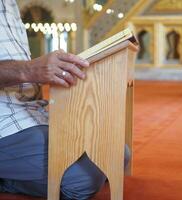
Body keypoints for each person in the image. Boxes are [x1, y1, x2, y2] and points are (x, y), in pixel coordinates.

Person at [0, 0, 130, 199]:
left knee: (118, 152)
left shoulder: (10, 4)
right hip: (5, 125)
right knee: (85, 176)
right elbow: (24, 70)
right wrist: (30, 69)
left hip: (30, 113)